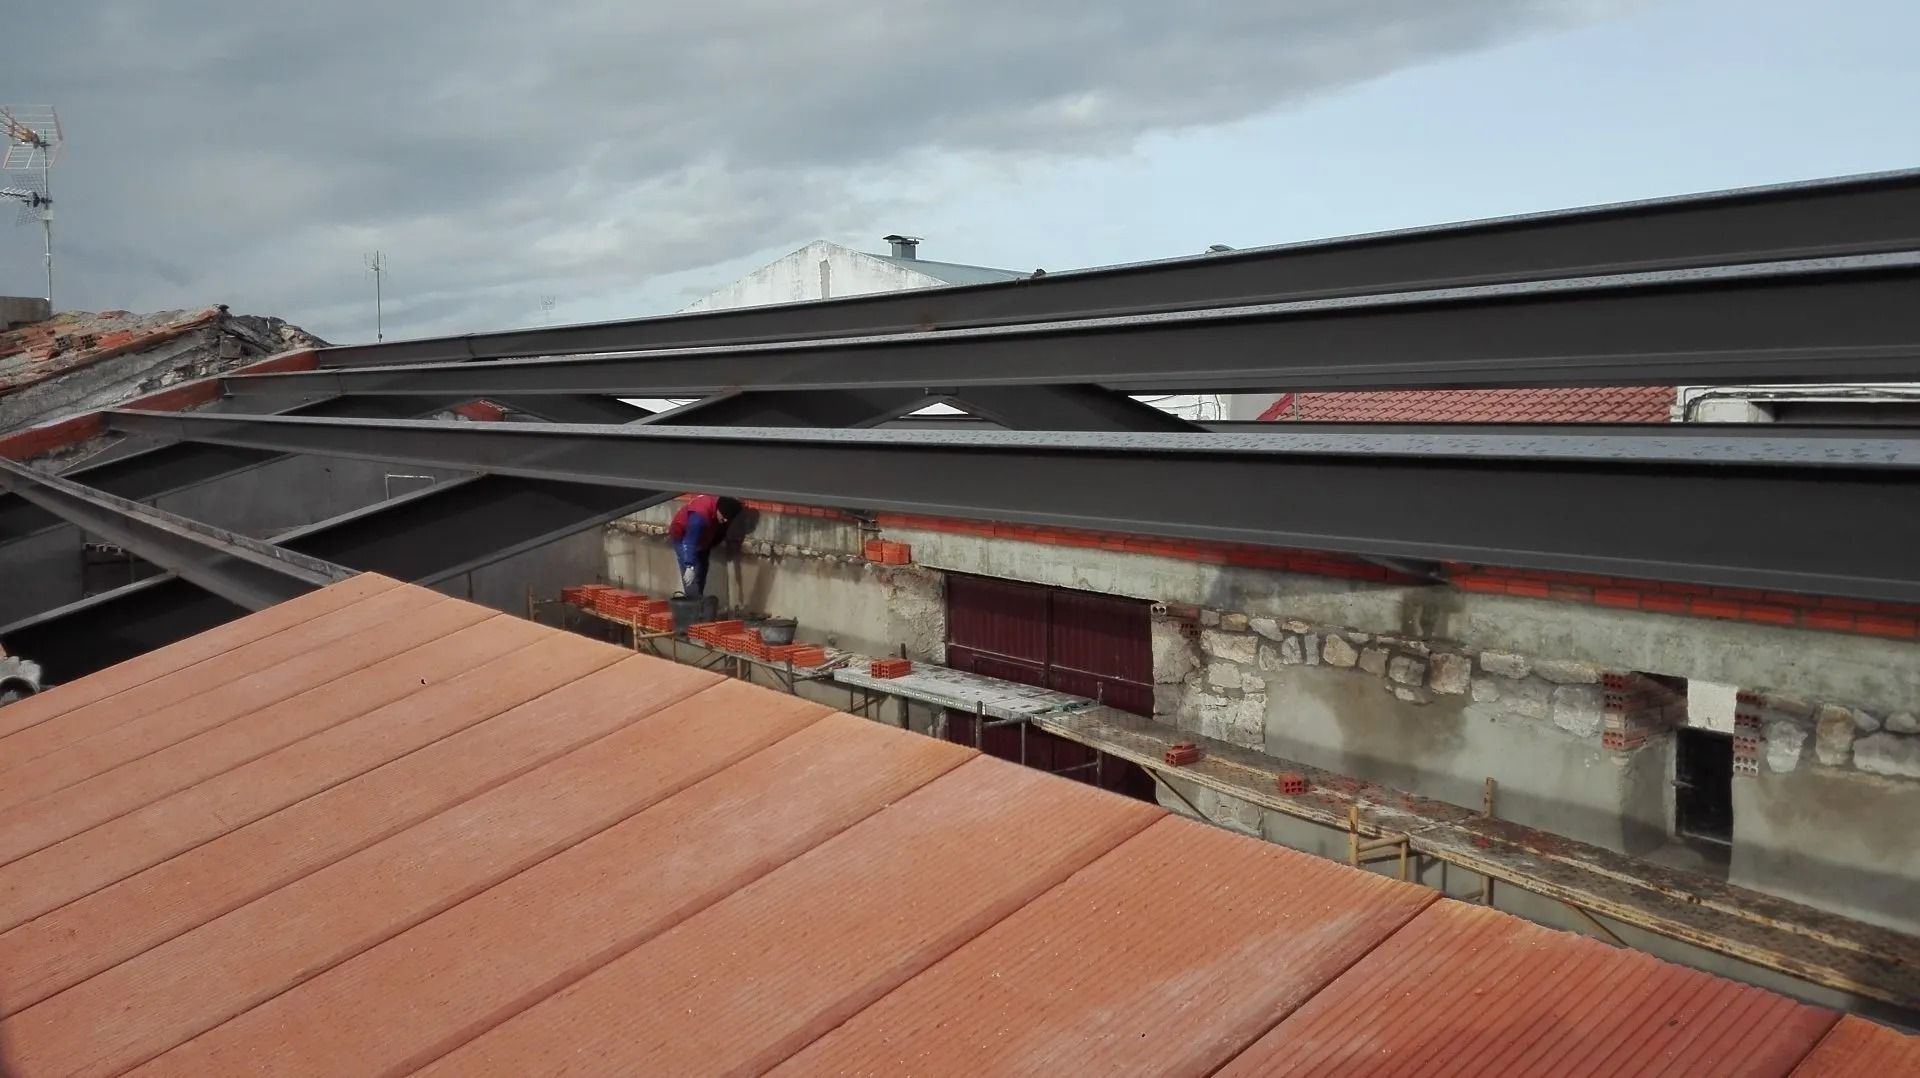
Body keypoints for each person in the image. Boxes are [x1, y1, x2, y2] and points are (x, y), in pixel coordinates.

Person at [668, 494, 742, 598]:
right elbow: (689, 541)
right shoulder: (699, 515)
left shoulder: (722, 511)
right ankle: (693, 607)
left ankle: (699, 600)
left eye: (728, 519)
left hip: (704, 538)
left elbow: (720, 531)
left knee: (702, 569)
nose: (725, 520)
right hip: (683, 537)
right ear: (718, 510)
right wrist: (689, 565)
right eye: (724, 517)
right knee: (691, 576)